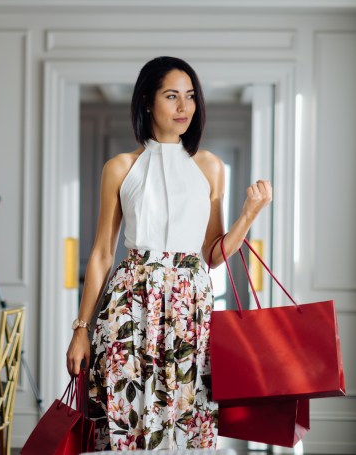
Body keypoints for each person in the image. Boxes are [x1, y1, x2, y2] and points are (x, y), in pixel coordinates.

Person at [66, 56, 273, 450]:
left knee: (185, 421)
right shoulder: (120, 167)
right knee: (125, 419)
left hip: (189, 314)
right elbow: (101, 256)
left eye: (191, 97)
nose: (184, 107)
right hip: (129, 309)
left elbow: (212, 254)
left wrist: (248, 216)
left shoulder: (210, 166)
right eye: (172, 96)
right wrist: (81, 330)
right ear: (147, 101)